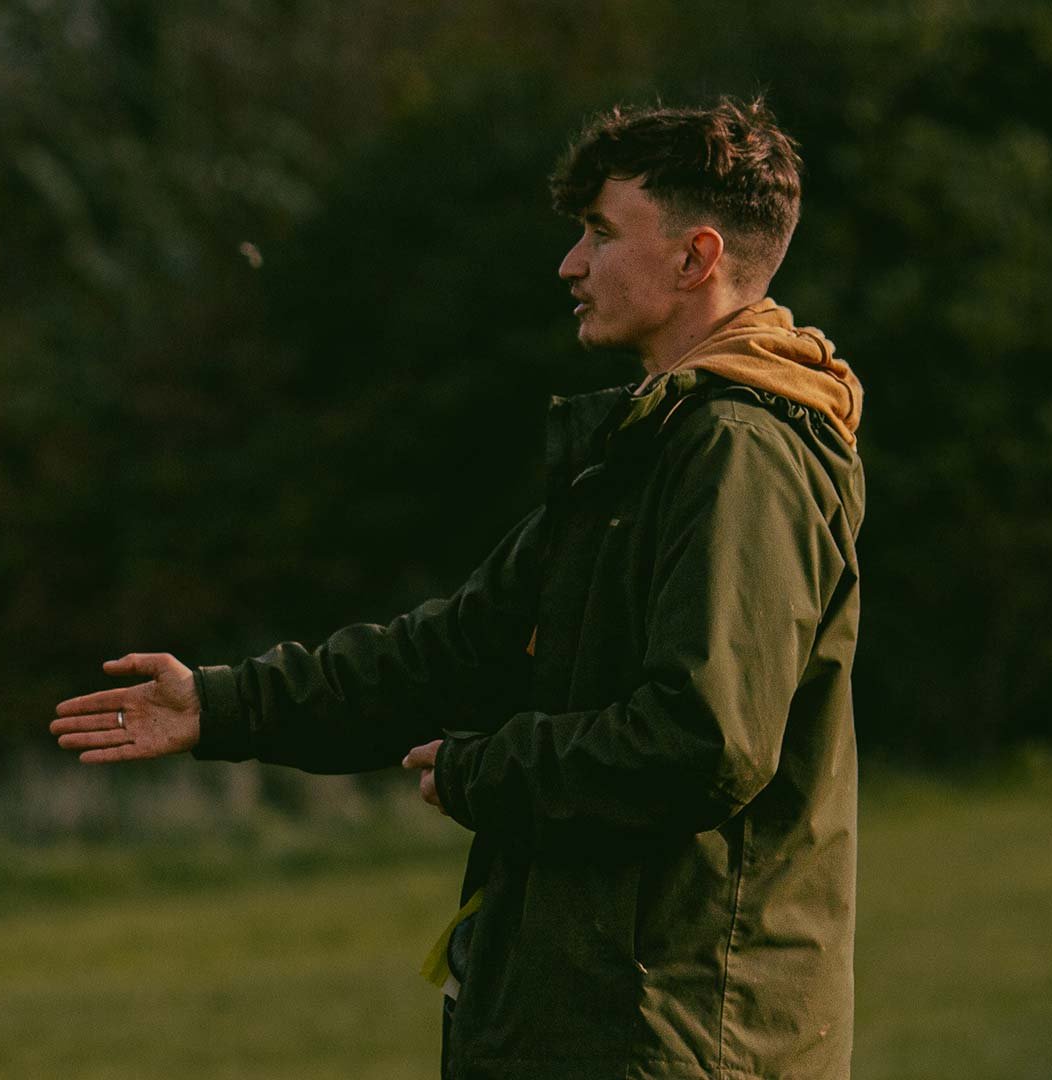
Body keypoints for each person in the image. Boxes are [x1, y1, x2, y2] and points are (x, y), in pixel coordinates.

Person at [52, 96, 865, 1080]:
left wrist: (487, 771)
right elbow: (454, 655)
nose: (570, 264)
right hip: (599, 1027)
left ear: (696, 258)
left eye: (601, 234)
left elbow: (707, 742)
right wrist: (224, 705)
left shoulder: (737, 455)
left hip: (673, 1039)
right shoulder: (647, 452)